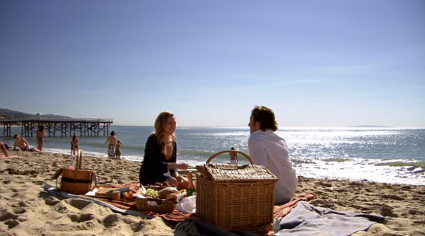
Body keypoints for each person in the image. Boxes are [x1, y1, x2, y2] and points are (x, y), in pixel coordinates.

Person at [247, 105, 298, 204]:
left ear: (258, 123)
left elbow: (261, 171)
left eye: (250, 121)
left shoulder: (254, 139)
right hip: (290, 190)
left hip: (275, 195)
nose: (248, 124)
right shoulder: (279, 139)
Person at [139, 111, 189, 188]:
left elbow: (173, 164)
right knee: (172, 181)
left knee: (188, 184)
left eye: (174, 123)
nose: (173, 126)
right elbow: (155, 165)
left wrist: (176, 174)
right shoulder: (153, 140)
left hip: (165, 175)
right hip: (150, 175)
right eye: (169, 123)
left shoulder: (173, 142)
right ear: (162, 124)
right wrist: (178, 165)